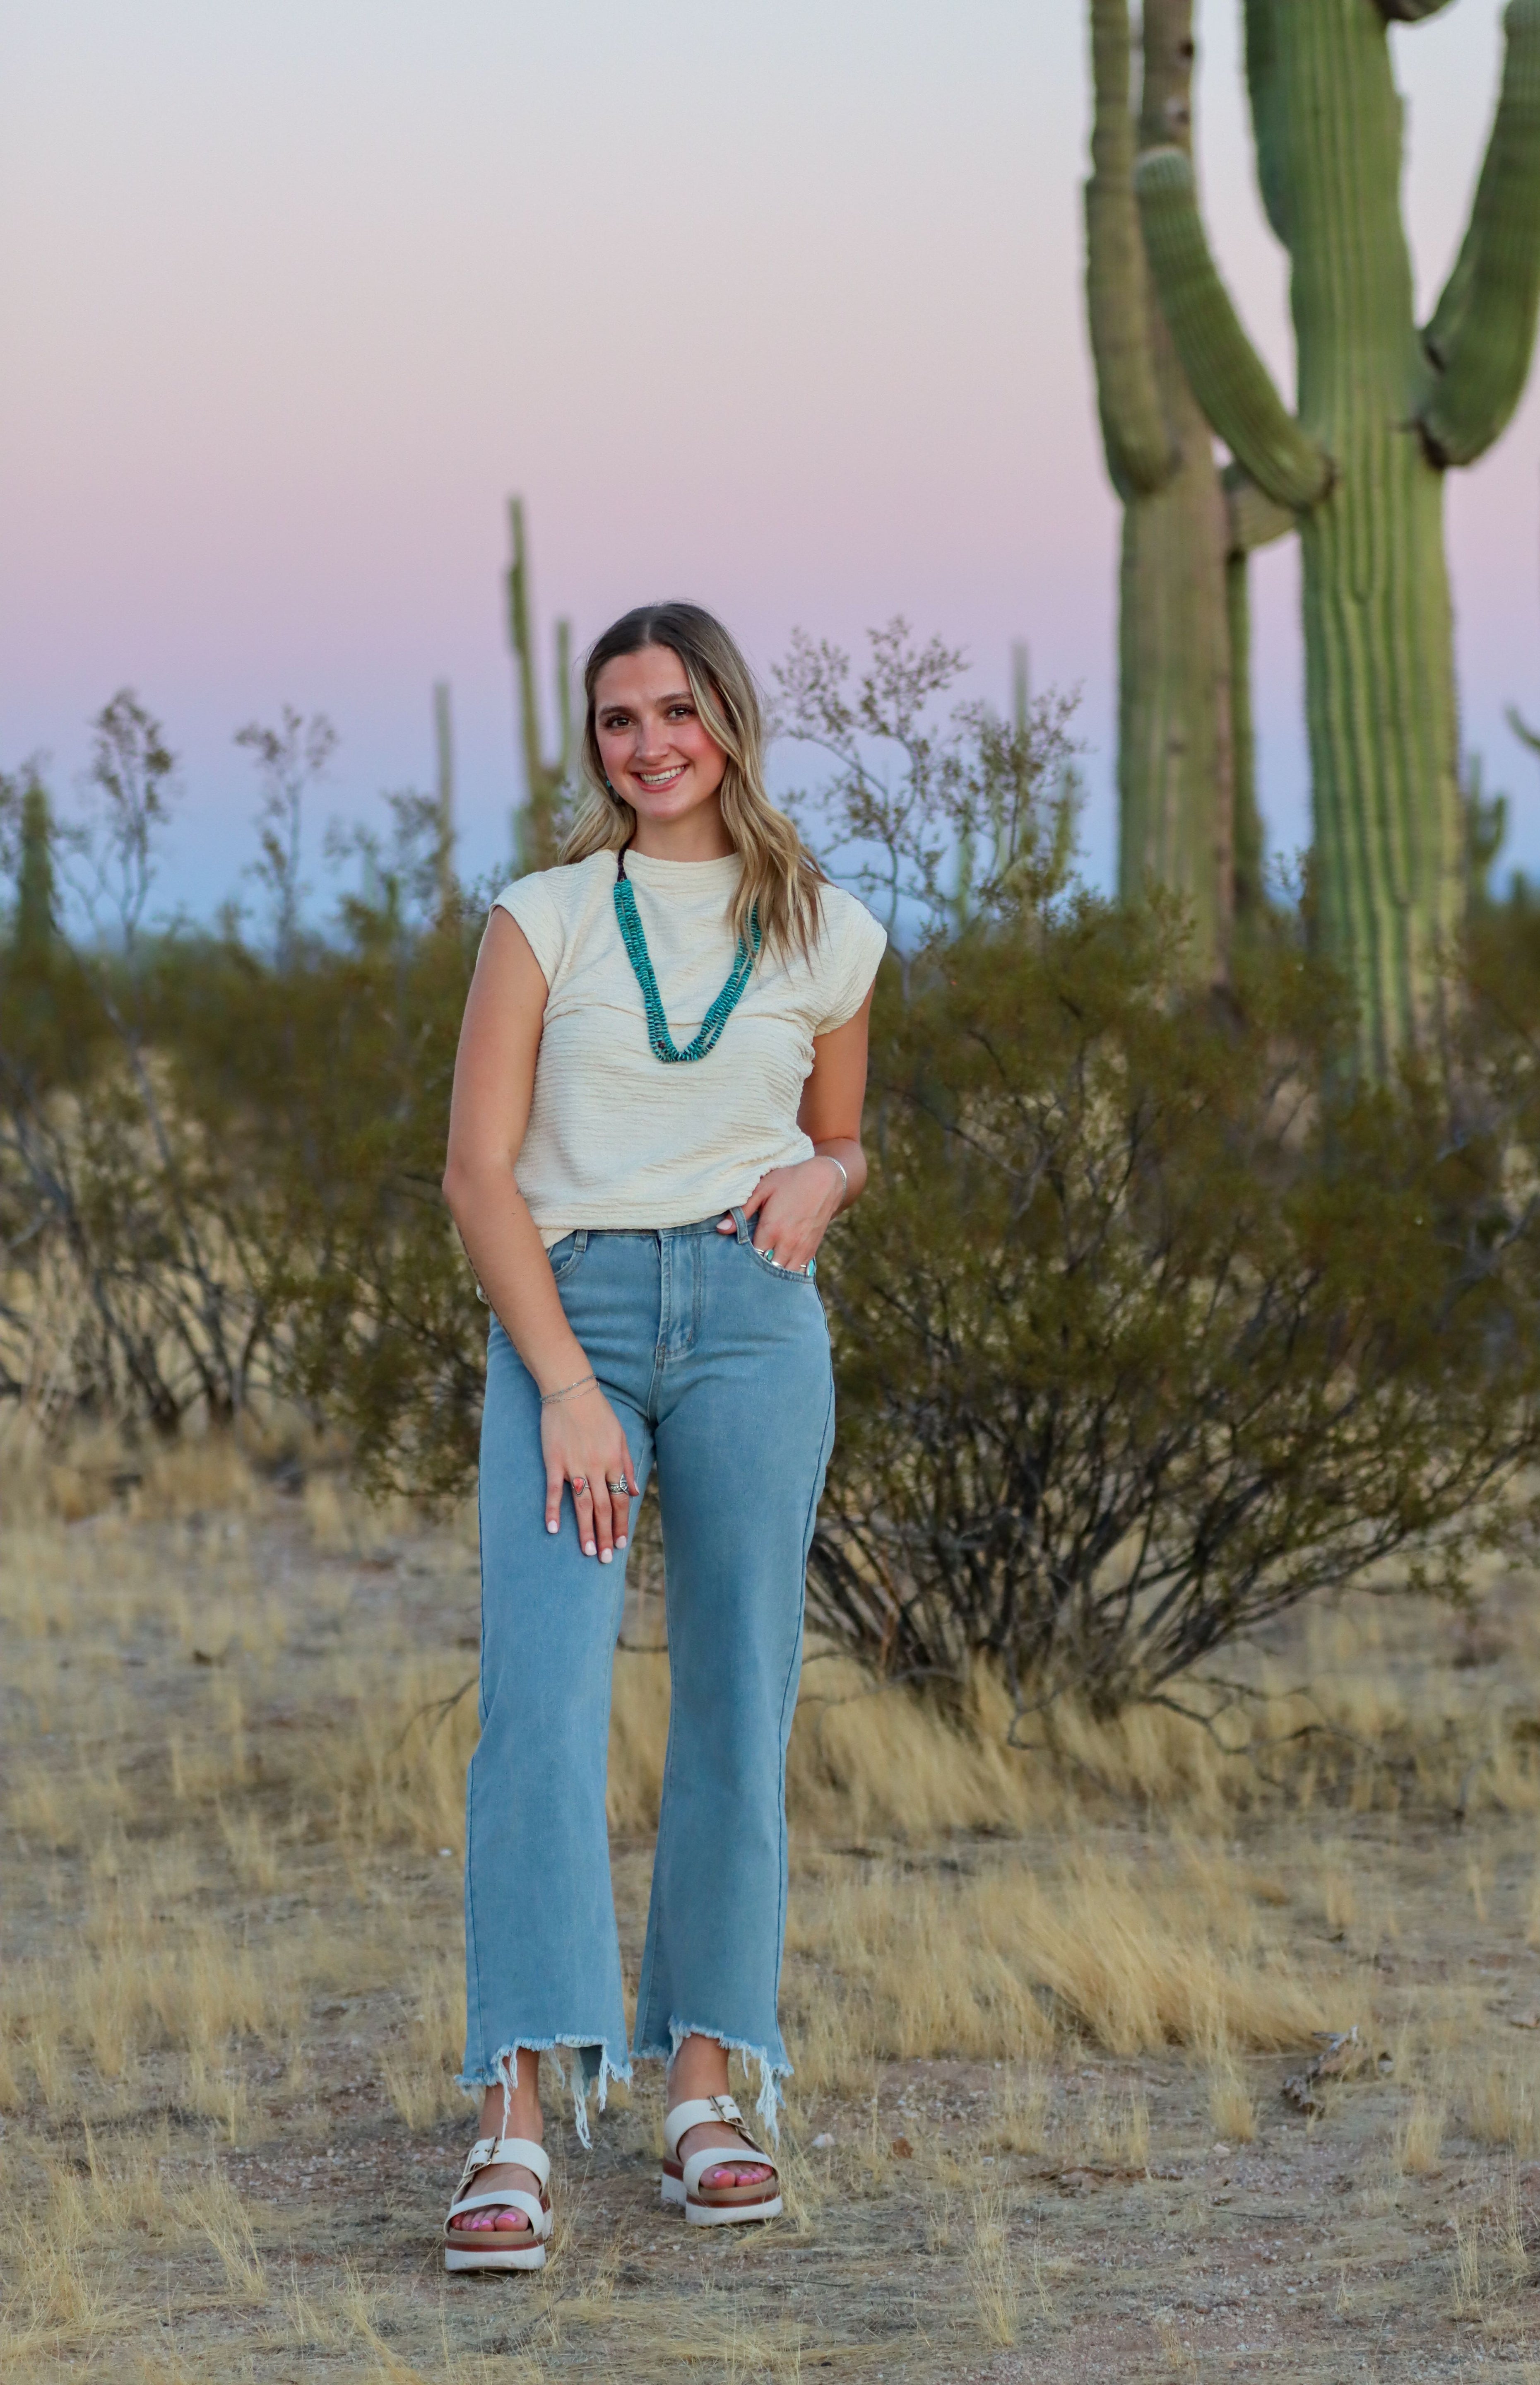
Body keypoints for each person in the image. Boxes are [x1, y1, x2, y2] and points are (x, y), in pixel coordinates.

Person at [438, 602, 886, 2269]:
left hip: (756, 1328)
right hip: (576, 1330)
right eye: (619, 718)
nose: (650, 743)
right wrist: (558, 1380)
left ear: (730, 722)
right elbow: (479, 1174)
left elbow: (838, 1140)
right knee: (541, 1711)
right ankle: (517, 2113)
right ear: (597, 743)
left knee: (738, 1698)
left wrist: (828, 1181)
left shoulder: (827, 931)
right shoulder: (544, 919)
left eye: (676, 710)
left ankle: (707, 2085)